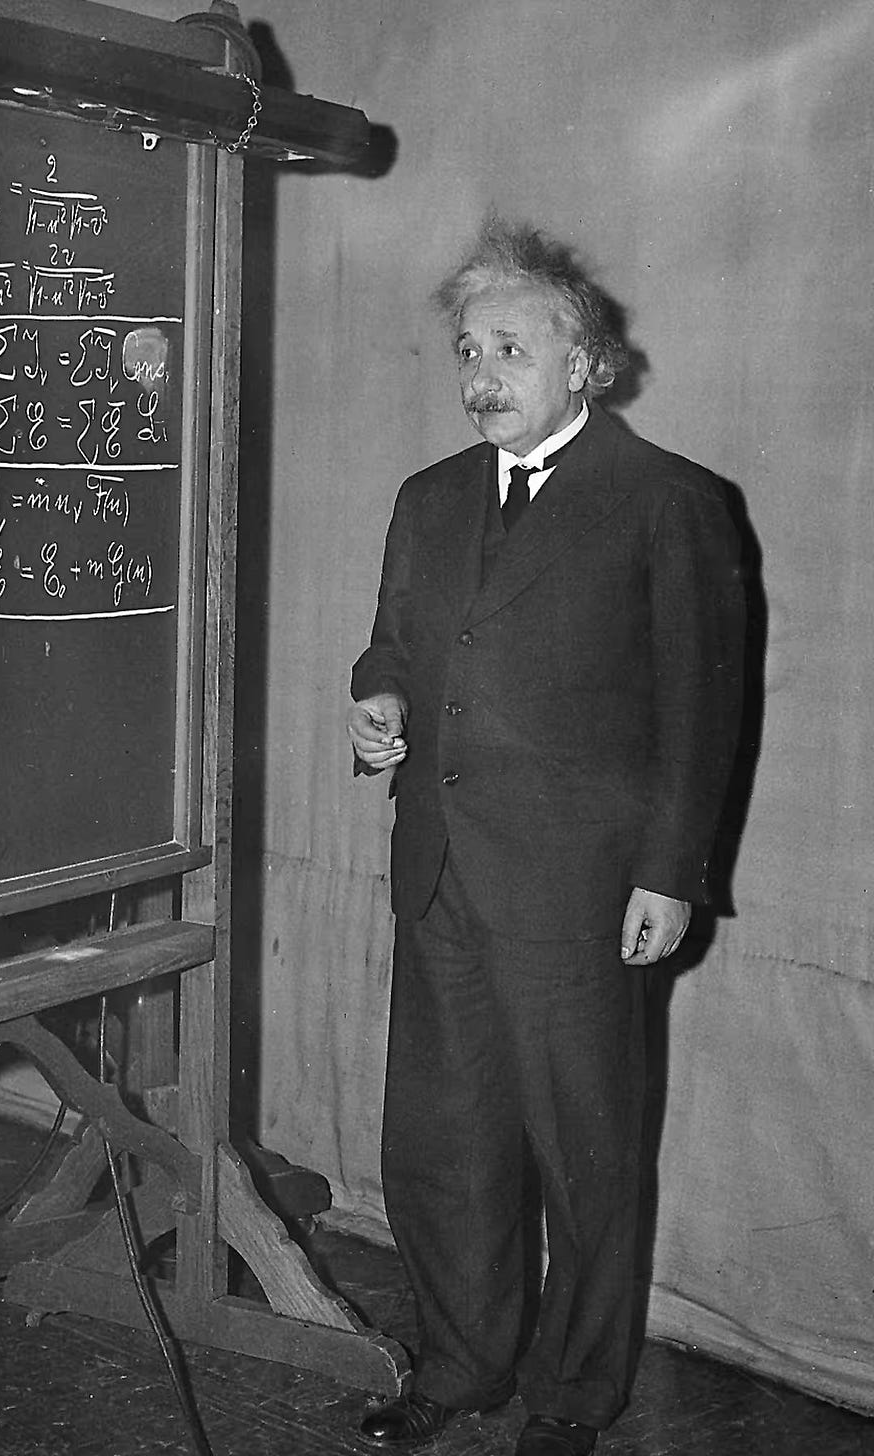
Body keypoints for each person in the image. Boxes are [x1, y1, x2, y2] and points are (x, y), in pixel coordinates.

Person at [346, 217, 745, 1456]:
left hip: (579, 891)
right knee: (442, 1143)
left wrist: (668, 874)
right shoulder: (427, 499)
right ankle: (459, 1364)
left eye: (511, 349)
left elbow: (701, 708)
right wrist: (379, 701)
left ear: (584, 362)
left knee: (584, 1157)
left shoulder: (669, 501)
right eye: (468, 350)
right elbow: (392, 646)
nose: (482, 375)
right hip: (440, 876)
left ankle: (572, 1393)